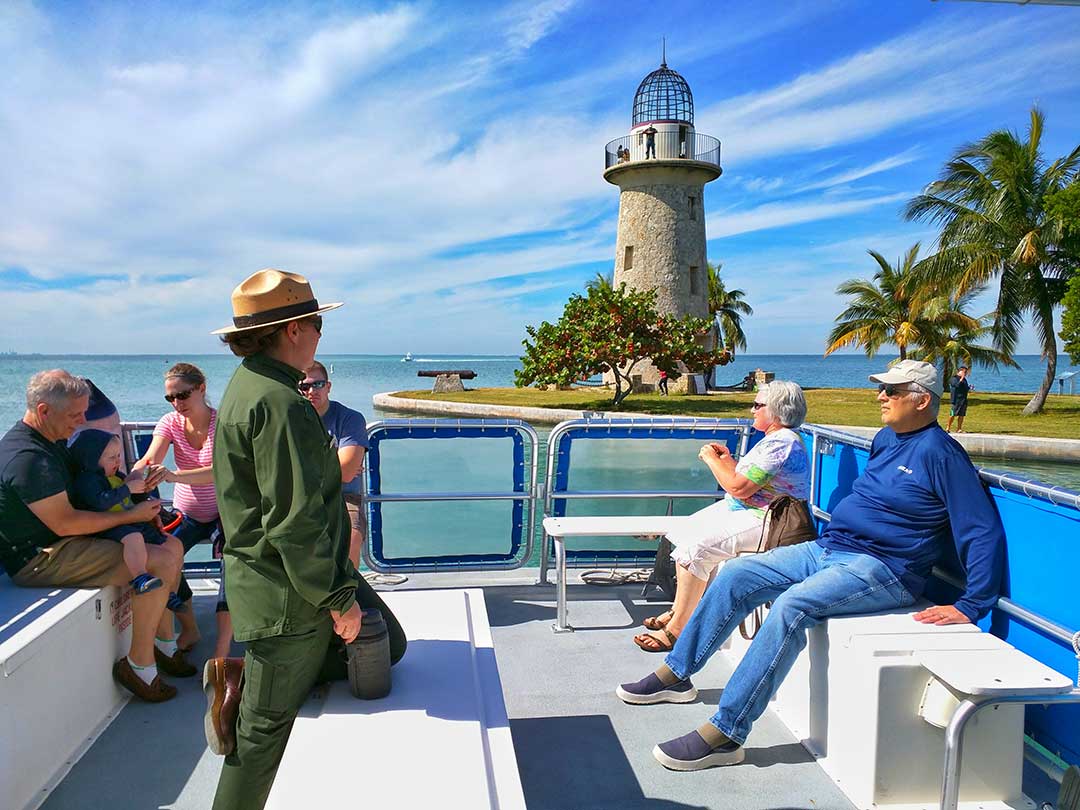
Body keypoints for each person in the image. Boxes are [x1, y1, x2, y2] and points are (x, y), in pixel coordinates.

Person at [616, 360, 1005, 772]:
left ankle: (727, 733)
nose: (880, 397)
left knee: (792, 606)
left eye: (891, 392)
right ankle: (678, 673)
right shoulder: (887, 439)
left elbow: (981, 531)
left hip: (884, 568)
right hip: (831, 547)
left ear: (922, 400)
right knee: (736, 575)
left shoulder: (943, 456)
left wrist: (972, 604)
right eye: (882, 390)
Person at [205, 269, 406, 810]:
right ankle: (250, 686)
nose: (321, 331)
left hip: (293, 583)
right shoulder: (282, 403)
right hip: (287, 598)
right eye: (316, 321)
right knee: (261, 733)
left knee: (393, 644)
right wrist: (338, 600)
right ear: (292, 329)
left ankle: (274, 675)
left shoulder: (255, 385)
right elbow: (291, 523)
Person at [0, 370, 191, 702]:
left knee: (172, 545)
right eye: (75, 415)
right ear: (44, 411)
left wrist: (142, 509)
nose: (82, 421)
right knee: (158, 560)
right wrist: (132, 516)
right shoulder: (28, 458)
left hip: (63, 540)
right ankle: (140, 666)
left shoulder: (51, 441)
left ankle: (164, 645)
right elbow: (65, 525)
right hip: (40, 557)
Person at [635, 381, 810, 652]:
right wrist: (727, 459)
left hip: (769, 520)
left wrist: (711, 460)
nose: (752, 410)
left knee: (695, 549)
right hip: (750, 511)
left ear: (776, 410)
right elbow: (744, 477)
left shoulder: (782, 444)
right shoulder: (774, 441)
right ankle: (682, 609)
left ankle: (678, 630)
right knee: (683, 535)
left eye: (757, 405)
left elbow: (739, 487)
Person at [134, 362, 233, 658]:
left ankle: (222, 648)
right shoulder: (170, 422)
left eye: (183, 395)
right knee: (164, 555)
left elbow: (221, 471)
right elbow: (152, 457)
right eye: (171, 398)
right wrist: (135, 474)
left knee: (233, 563)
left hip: (224, 512)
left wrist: (173, 475)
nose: (177, 403)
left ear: (202, 389)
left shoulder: (222, 422)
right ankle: (189, 627)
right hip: (186, 512)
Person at [69, 429, 184, 605]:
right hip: (108, 525)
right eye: (111, 458)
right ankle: (140, 577)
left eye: (118, 455)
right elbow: (101, 502)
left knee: (163, 540)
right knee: (134, 538)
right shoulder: (88, 481)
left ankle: (168, 591)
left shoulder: (116, 476)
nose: (118, 461)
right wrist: (127, 488)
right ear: (91, 459)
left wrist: (146, 497)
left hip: (128, 520)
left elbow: (132, 497)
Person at [299, 360, 369, 568]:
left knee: (351, 538)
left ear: (328, 386)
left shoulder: (350, 419)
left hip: (344, 498)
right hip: (303, 498)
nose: (312, 391)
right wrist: (333, 465)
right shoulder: (291, 420)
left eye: (318, 384)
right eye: (304, 386)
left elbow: (347, 473)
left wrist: (306, 466)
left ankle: (351, 594)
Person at [946, 365, 972, 434]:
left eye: (966, 372)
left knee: (961, 415)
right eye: (964, 372)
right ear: (960, 371)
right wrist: (961, 379)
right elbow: (956, 385)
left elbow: (964, 388)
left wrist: (969, 388)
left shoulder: (964, 380)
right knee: (952, 414)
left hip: (963, 400)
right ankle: (948, 427)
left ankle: (959, 428)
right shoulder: (954, 378)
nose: (965, 374)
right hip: (956, 400)